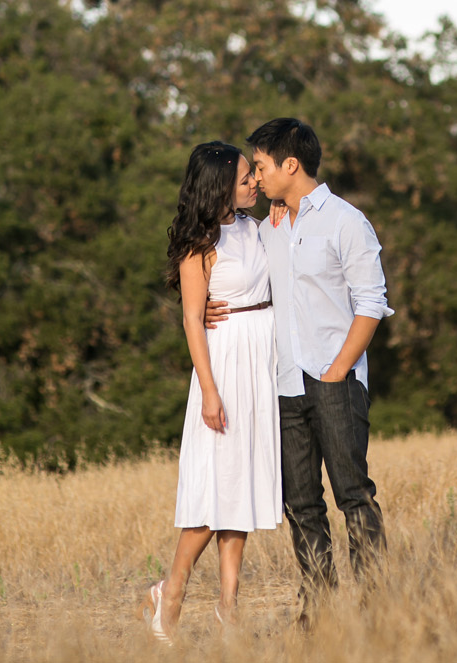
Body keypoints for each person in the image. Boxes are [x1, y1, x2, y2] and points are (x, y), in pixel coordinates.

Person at [208, 117, 392, 626]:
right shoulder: (264, 229)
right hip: (281, 386)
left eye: (261, 166)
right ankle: (320, 610)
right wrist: (205, 309)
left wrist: (337, 371)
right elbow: (231, 278)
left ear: (291, 165)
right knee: (302, 504)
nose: (256, 177)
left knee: (354, 494)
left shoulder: (345, 221)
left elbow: (372, 303)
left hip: (334, 381)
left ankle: (377, 609)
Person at [144, 141, 282, 644]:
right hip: (223, 366)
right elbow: (191, 319)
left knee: (240, 485)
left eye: (252, 175)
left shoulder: (256, 227)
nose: (253, 183)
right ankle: (172, 591)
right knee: (214, 489)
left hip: (259, 361)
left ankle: (229, 607)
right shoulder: (199, 242)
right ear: (219, 184)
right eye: (245, 177)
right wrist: (208, 390)